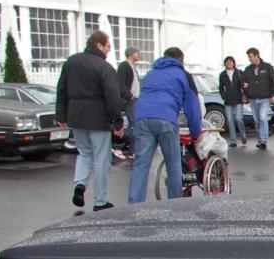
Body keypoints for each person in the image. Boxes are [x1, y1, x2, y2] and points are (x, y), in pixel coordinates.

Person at [127, 46, 204, 204]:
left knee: (141, 164)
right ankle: (174, 205)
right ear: (181, 60)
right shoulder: (183, 74)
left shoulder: (151, 73)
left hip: (141, 117)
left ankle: (133, 205)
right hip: (165, 118)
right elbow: (192, 106)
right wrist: (196, 133)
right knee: (173, 163)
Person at [57, 30, 122, 211]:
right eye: (108, 46)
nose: (109, 50)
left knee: (84, 153)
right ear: (99, 45)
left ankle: (80, 184)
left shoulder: (71, 62)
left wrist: (61, 115)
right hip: (98, 119)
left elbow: (61, 89)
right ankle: (100, 201)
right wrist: (117, 120)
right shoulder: (104, 67)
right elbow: (112, 96)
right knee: (102, 158)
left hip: (76, 117)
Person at [241, 48, 274, 149]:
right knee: (257, 120)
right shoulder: (247, 69)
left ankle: (263, 140)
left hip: (264, 98)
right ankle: (260, 139)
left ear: (257, 55)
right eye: (248, 57)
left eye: (250, 56)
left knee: (262, 118)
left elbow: (273, 81)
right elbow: (243, 82)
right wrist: (246, 89)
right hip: (253, 99)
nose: (249, 59)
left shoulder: (267, 67)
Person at [218, 56, 246, 146]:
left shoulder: (239, 72)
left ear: (234, 63)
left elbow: (244, 84)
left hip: (238, 99)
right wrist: (223, 96)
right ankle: (233, 141)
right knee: (230, 121)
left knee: (238, 119)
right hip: (228, 100)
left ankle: (243, 135)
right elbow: (221, 87)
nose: (229, 63)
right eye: (227, 62)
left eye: (230, 62)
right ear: (225, 64)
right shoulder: (222, 74)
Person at [117, 47, 140, 127]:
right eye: (137, 52)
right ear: (131, 54)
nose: (139, 55)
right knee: (134, 122)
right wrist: (129, 95)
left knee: (136, 120)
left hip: (134, 98)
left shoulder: (132, 66)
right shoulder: (124, 66)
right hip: (130, 99)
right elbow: (120, 82)